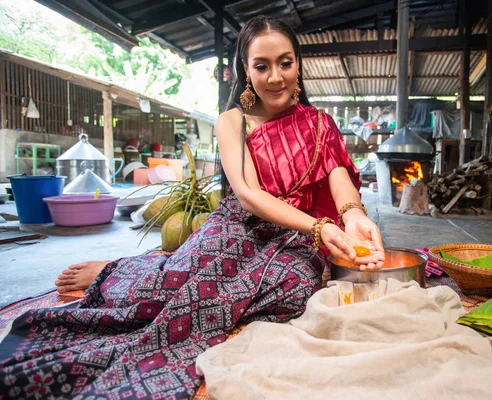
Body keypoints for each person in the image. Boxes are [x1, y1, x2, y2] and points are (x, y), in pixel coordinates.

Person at [0, 15, 384, 399]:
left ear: (298, 63)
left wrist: (352, 217)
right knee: (185, 277)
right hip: (242, 223)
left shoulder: (319, 122)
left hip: (299, 236)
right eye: (261, 66)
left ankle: (158, 267)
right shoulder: (233, 121)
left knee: (293, 290)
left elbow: (337, 177)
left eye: (285, 63)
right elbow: (248, 194)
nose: (275, 77)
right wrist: (322, 228)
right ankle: (118, 272)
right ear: (245, 70)